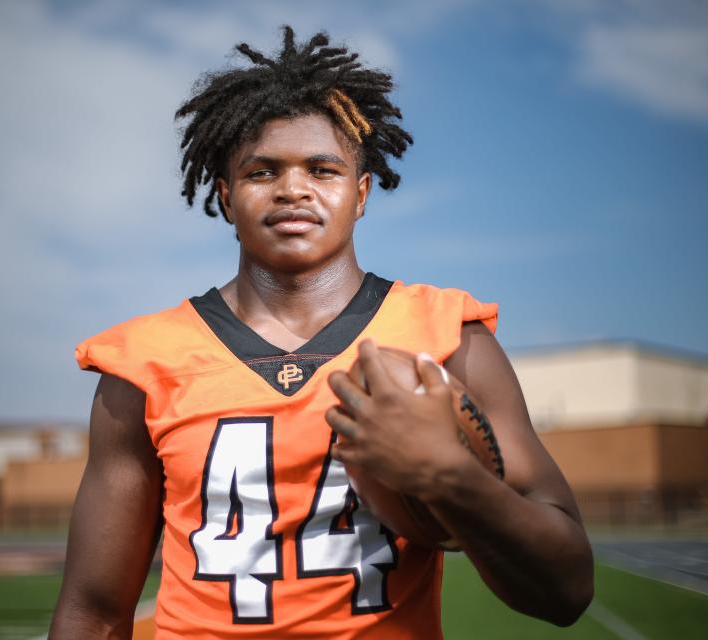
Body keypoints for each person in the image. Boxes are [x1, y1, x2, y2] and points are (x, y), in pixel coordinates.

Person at [49, 26, 593, 639]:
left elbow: (566, 591)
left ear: (361, 193)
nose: (292, 189)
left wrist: (450, 478)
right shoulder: (141, 364)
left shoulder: (447, 339)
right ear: (225, 196)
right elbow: (93, 612)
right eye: (261, 171)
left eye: (323, 168)